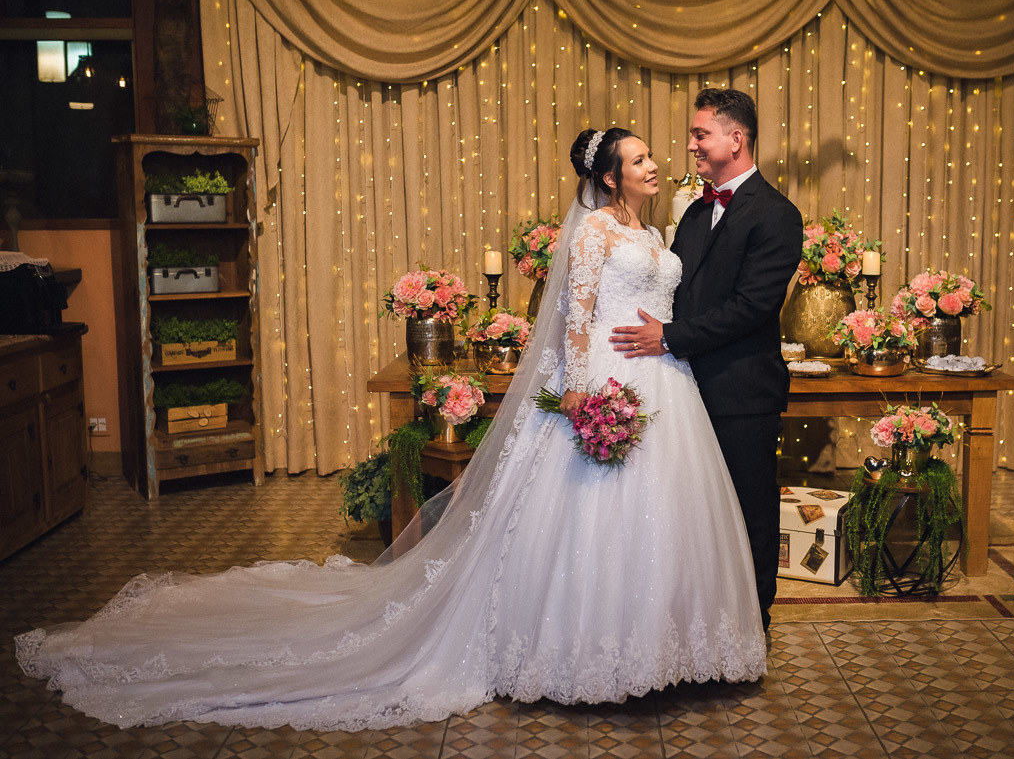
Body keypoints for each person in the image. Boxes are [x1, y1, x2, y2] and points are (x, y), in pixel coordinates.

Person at [15, 127, 766, 732]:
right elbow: (574, 316)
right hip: (602, 379)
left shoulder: (660, 224)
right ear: (609, 177)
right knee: (590, 518)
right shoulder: (597, 232)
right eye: (640, 159)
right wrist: (575, 396)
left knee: (665, 520)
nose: (657, 163)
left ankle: (666, 649)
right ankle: (580, 656)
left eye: (653, 156)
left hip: (665, 382)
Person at [611, 89, 805, 632]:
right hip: (683, 389)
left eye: (701, 135)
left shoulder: (777, 215)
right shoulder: (697, 212)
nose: (691, 145)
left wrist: (668, 338)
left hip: (742, 393)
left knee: (749, 514)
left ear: (735, 139)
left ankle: (751, 627)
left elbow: (751, 307)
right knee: (694, 519)